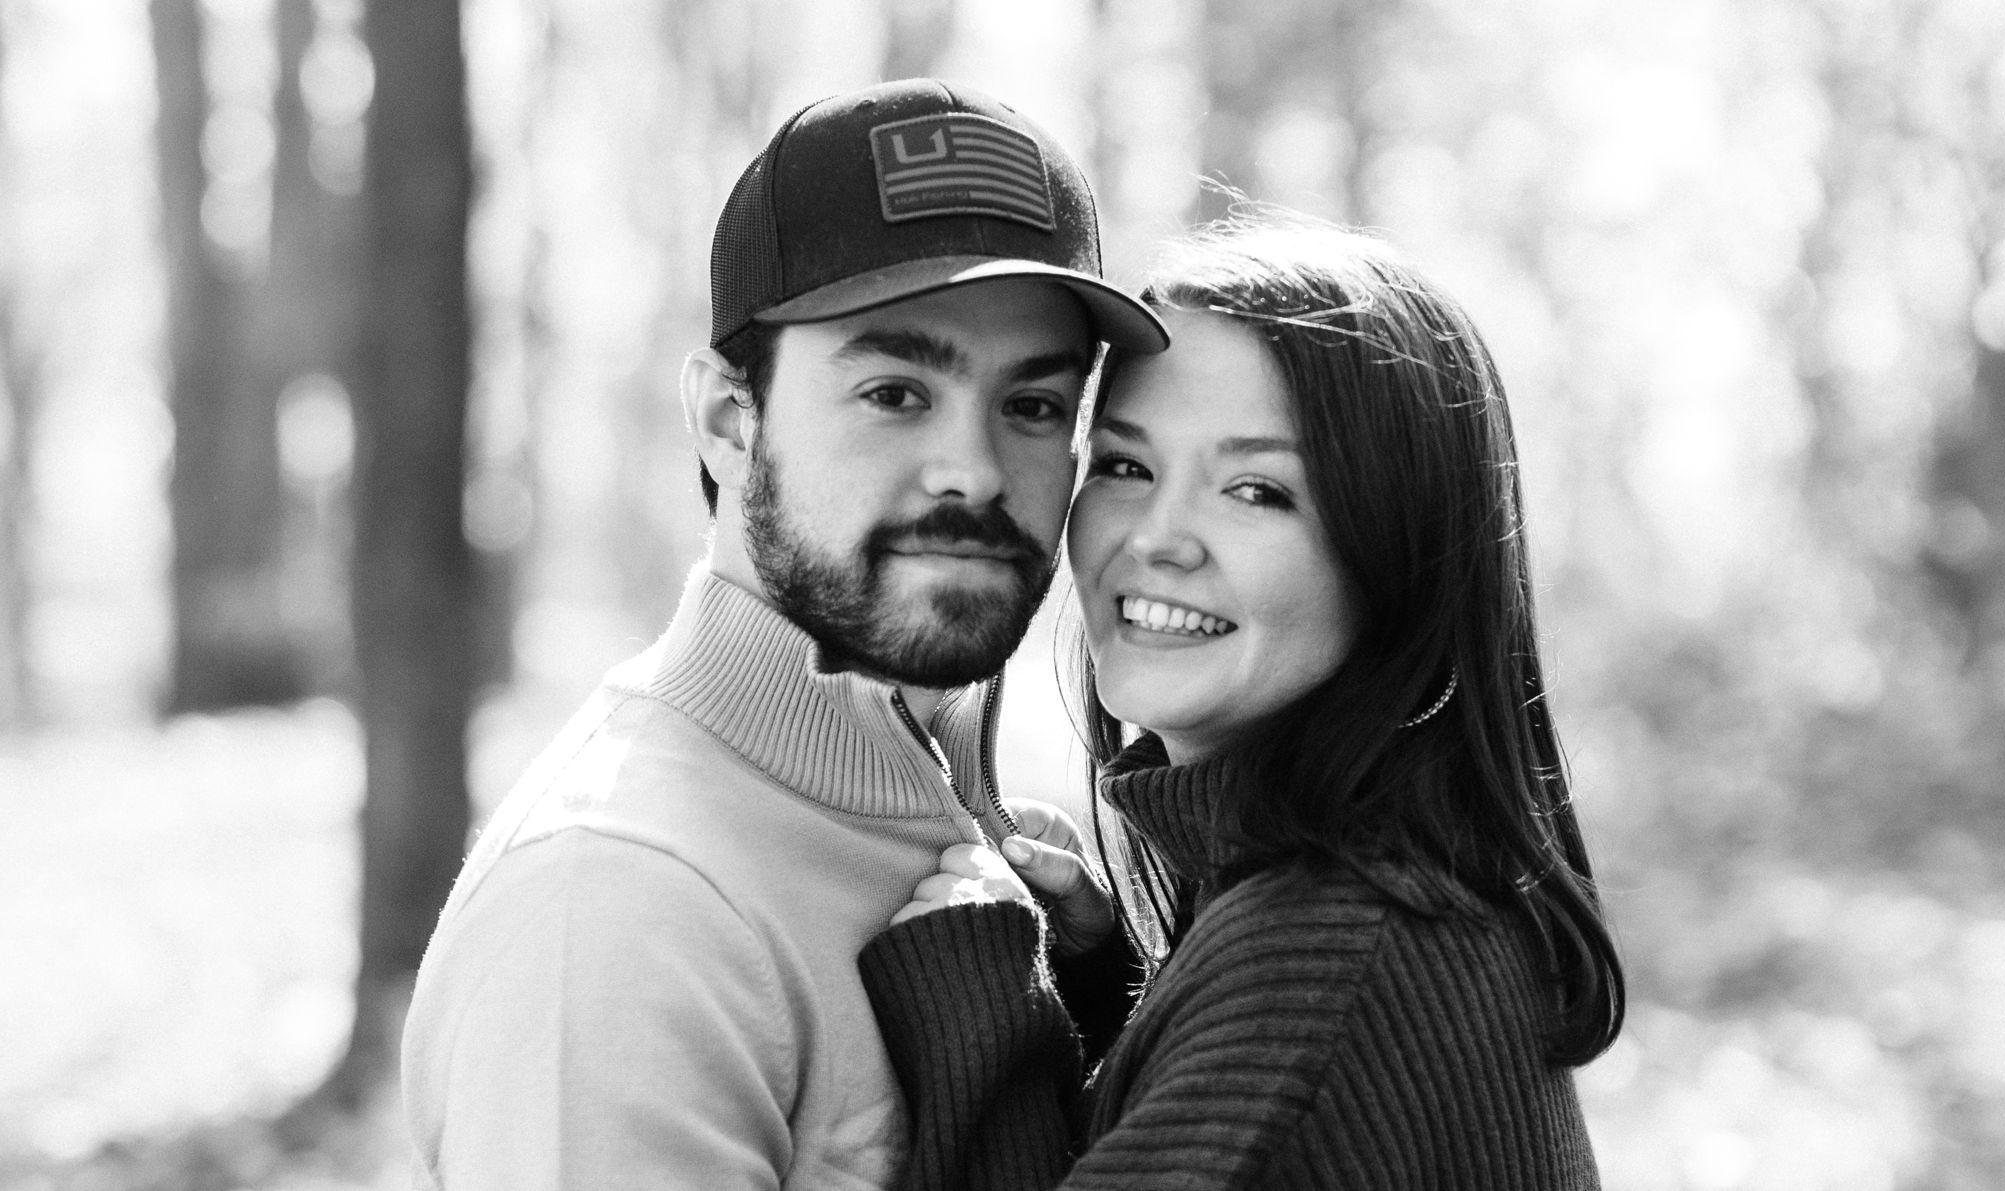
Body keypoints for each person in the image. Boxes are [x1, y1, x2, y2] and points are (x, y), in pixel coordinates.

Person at [399, 78, 1168, 1191]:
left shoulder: (975, 831)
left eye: (1033, 406)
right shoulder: (620, 919)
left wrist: (1095, 1006)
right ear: (728, 420)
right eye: (895, 393)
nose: (975, 471)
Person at [858, 216, 1628, 1190]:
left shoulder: (1325, 978)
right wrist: (1096, 993)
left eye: (1256, 490)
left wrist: (980, 1020)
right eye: (1126, 466)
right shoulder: (1369, 899)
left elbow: (1289, 1091)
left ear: (1398, 555)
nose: (1156, 537)